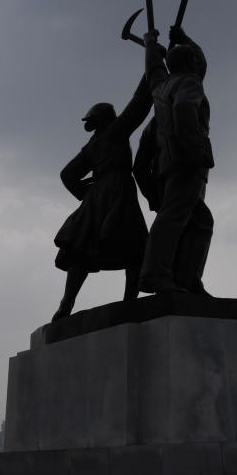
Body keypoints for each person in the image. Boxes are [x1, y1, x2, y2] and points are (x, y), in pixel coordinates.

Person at [51, 75, 154, 321]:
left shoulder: (91, 146)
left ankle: (66, 304)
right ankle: (130, 301)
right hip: (118, 190)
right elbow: (140, 102)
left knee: (81, 248)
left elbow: (67, 174)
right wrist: (150, 72)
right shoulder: (117, 131)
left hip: (96, 196)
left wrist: (84, 192)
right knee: (137, 247)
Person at [138, 25, 215, 296]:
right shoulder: (189, 83)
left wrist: (150, 43)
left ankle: (187, 279)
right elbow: (184, 107)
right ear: (191, 65)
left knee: (200, 221)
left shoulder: (160, 87)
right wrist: (193, 149)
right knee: (173, 216)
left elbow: (153, 70)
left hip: (167, 164)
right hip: (187, 159)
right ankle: (155, 274)